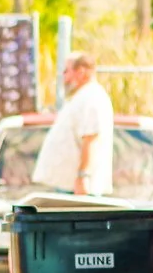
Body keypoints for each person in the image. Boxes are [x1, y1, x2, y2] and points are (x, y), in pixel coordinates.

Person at [33, 53, 115, 196]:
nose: (63, 76)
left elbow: (90, 138)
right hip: (68, 186)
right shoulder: (82, 96)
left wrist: (83, 176)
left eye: (66, 71)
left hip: (78, 188)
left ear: (81, 72)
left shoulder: (92, 97)